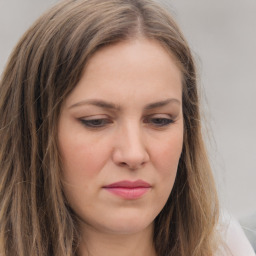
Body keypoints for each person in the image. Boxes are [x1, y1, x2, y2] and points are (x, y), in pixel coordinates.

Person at [0, 0, 254, 255]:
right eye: (96, 121)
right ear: (32, 132)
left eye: (159, 120)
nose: (133, 154)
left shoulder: (232, 246)